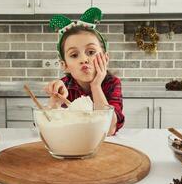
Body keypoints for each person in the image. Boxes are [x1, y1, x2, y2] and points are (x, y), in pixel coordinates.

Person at [43, 7, 124, 136]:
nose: (84, 59)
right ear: (65, 66)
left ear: (105, 58)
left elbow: (108, 129)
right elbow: (47, 127)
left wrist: (96, 86)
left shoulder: (112, 84)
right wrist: (54, 103)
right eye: (74, 55)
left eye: (91, 52)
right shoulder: (64, 87)